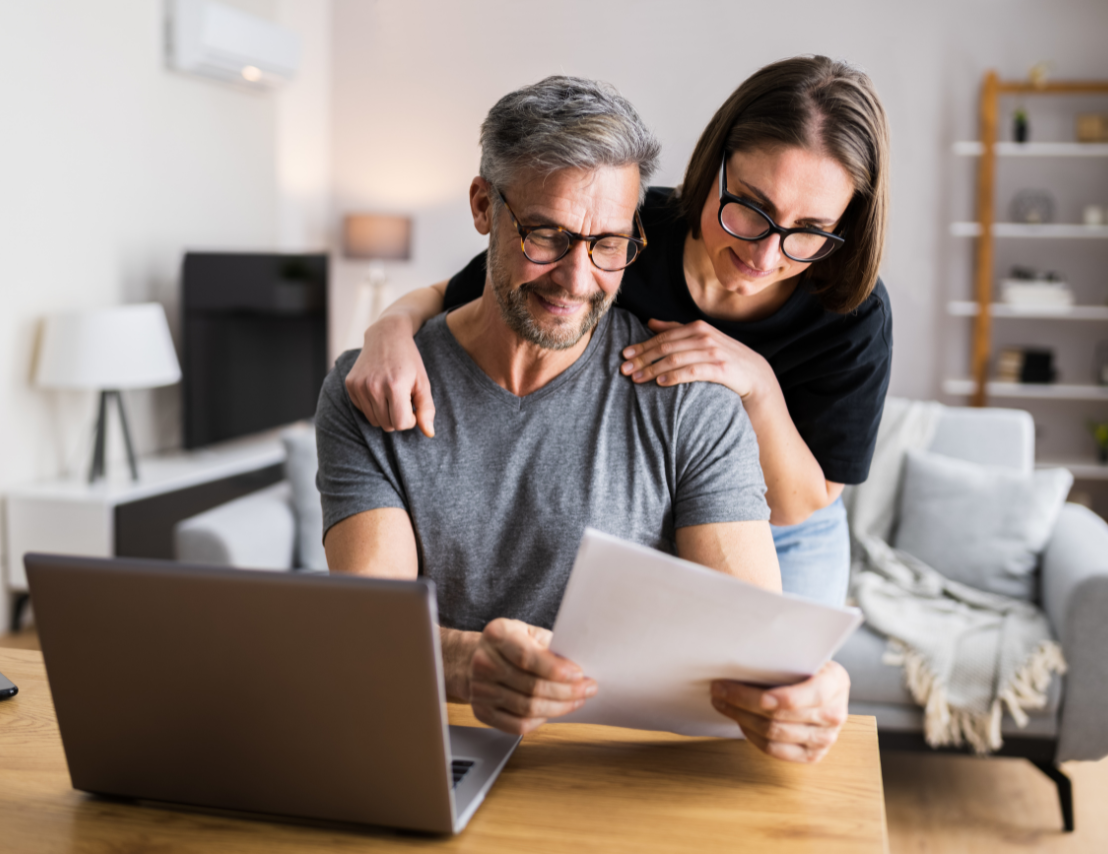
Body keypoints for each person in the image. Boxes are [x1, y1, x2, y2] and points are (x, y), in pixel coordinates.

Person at [318, 76, 850, 764]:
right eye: (547, 235)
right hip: (435, 753)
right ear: (484, 207)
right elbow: (367, 630)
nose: (576, 279)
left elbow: (754, 648)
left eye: (609, 244)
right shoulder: (376, 390)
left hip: (617, 775)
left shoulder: (692, 398)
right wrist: (464, 664)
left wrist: (815, 687)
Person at [346, 56, 893, 608]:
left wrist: (757, 383)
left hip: (788, 529)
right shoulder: (618, 228)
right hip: (672, 499)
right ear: (714, 166)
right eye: (751, 207)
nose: (765, 253)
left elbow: (801, 503)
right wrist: (388, 330)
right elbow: (460, 293)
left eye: (810, 231)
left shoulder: (852, 310)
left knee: (776, 678)